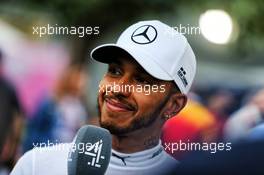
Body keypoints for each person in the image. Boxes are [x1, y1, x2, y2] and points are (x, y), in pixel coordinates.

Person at [11, 20, 196, 175]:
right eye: (115, 71)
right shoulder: (37, 165)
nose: (117, 88)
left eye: (142, 81)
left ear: (174, 105)